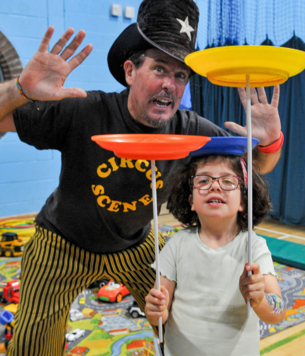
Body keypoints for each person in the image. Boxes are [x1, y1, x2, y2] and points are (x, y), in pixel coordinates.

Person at [0, 0, 284, 354]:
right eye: (160, 69)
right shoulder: (86, 109)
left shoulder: (189, 129)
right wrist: (19, 91)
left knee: (181, 320)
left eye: (180, 76)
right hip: (62, 241)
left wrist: (269, 141)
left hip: (136, 244)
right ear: (130, 71)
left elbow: (253, 165)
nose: (170, 84)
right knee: (31, 346)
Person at [144, 138, 285, 355]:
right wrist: (155, 310)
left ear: (242, 201)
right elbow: (158, 313)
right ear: (191, 199)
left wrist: (260, 299)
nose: (215, 186)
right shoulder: (178, 244)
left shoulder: (253, 246)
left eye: (228, 181)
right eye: (203, 181)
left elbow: (277, 312)